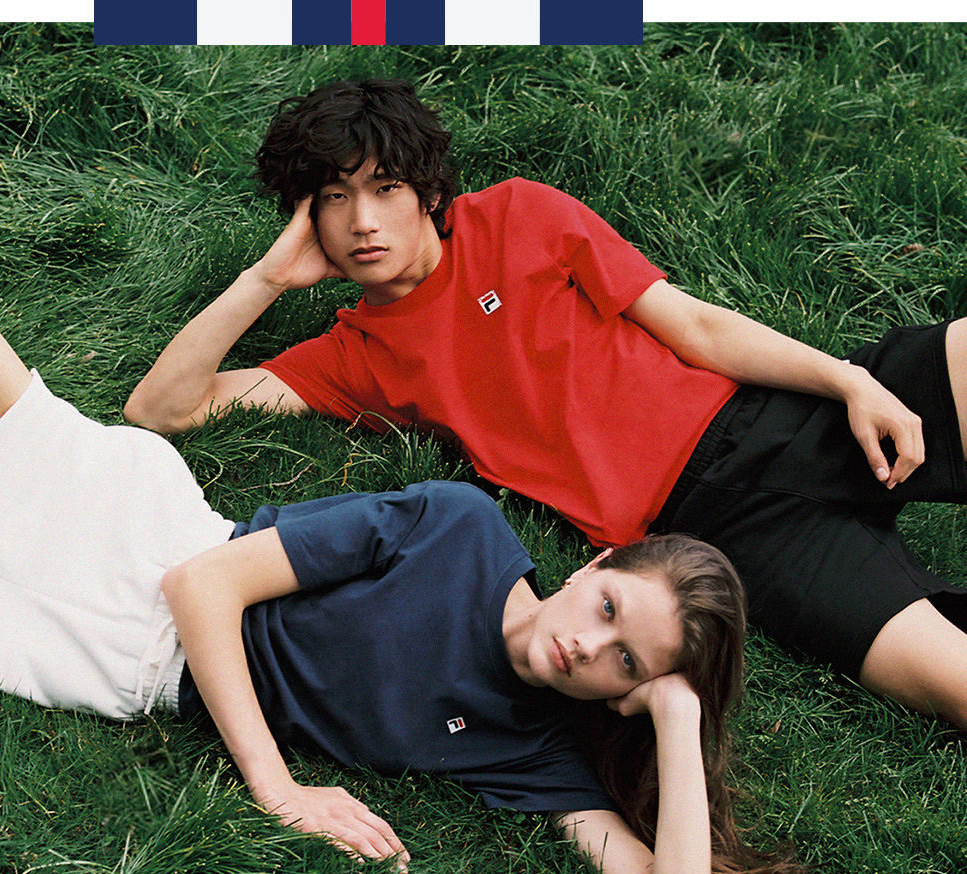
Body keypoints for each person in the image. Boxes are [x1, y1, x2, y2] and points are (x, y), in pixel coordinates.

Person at [0, 159, 805, 874]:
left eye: (628, 663)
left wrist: (674, 714)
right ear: (595, 567)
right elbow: (202, 580)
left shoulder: (540, 753)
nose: (589, 647)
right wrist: (279, 790)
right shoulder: (458, 530)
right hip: (111, 521)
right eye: (612, 612)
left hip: (85, 656)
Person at [124, 78, 967, 732]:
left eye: (382, 187)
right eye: (333, 200)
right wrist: (266, 278)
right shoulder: (354, 358)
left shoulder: (519, 215)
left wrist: (849, 380)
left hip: (769, 414)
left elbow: (697, 327)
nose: (363, 222)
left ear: (425, 188)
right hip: (724, 534)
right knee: (955, 686)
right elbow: (163, 409)